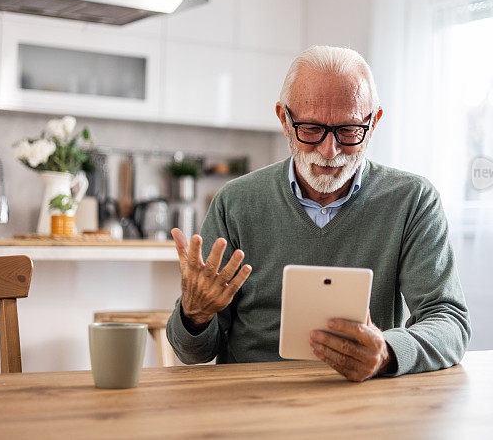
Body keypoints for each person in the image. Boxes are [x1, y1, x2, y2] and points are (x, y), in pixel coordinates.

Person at [166, 45, 471, 382]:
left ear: (374, 123)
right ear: (284, 119)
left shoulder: (412, 201)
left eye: (349, 131)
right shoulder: (235, 202)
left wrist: (387, 351)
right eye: (310, 129)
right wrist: (194, 315)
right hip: (251, 400)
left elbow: (449, 322)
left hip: (362, 400)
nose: (330, 151)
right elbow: (193, 353)